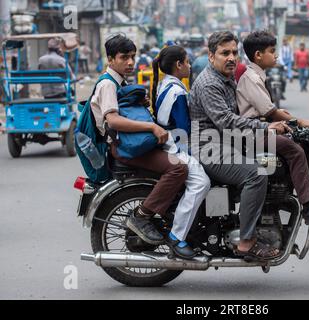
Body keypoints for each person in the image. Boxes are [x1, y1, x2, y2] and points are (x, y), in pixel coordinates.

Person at [189, 31, 289, 261]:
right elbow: (226, 120)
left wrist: (265, 123)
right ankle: (246, 242)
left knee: (272, 163)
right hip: (210, 149)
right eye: (225, 53)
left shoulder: (226, 78)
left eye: (234, 52)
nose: (232, 57)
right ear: (212, 56)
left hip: (227, 144)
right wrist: (265, 128)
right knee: (257, 175)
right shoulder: (209, 84)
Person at [90, 34, 192, 255]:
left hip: (132, 143)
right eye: (124, 57)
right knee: (178, 168)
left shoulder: (119, 81)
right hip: (125, 148)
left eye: (133, 57)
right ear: (110, 59)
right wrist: (151, 128)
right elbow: (113, 120)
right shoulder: (107, 83)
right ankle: (141, 216)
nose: (130, 62)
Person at [237, 30, 309, 225]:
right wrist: (300, 121)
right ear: (258, 55)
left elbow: (268, 109)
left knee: (295, 145)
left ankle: (285, 197)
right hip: (253, 134)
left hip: (259, 129)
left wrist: (285, 121)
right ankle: (308, 206)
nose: (276, 55)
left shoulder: (257, 75)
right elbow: (270, 111)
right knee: (296, 151)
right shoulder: (251, 77)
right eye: (271, 51)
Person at [151, 45, 211, 258]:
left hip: (171, 142)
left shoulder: (167, 84)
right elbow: (184, 129)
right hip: (175, 146)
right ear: (179, 65)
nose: (189, 65)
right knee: (201, 182)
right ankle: (177, 237)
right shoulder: (177, 91)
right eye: (187, 62)